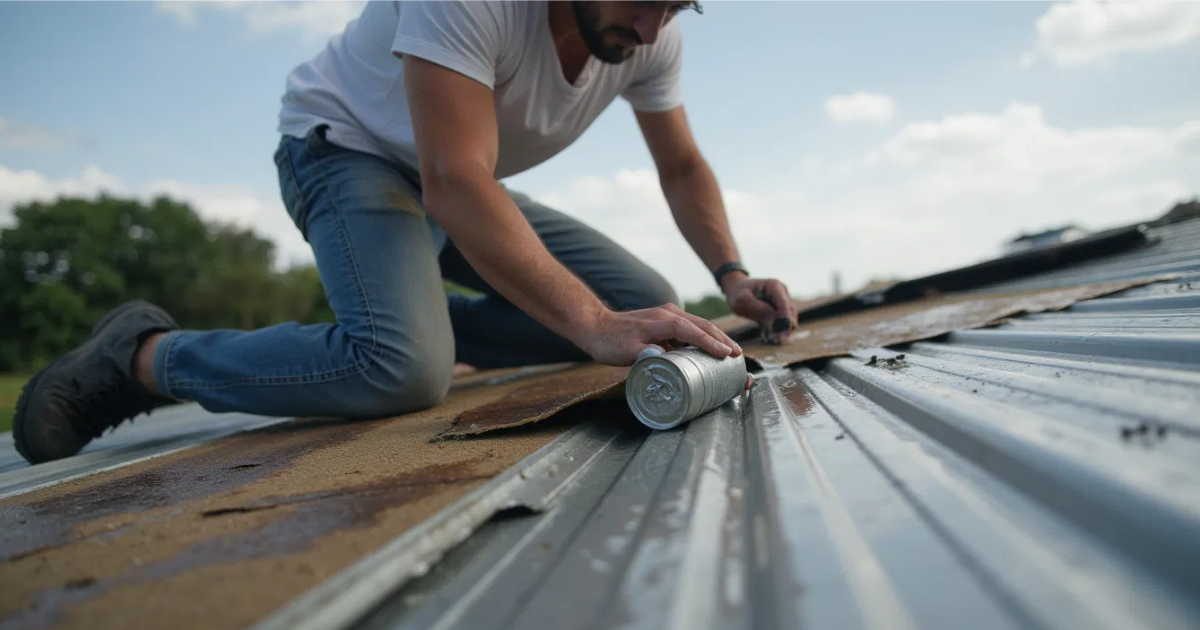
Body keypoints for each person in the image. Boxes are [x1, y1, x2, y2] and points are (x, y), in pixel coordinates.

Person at [12, 0, 798, 464]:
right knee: (402, 370)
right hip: (348, 153)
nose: (655, 24)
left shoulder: (650, 32)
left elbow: (682, 166)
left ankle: (412, 314)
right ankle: (145, 356)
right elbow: (454, 178)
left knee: (643, 301)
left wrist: (731, 274)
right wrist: (587, 322)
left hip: (455, 184)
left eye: (679, 4)